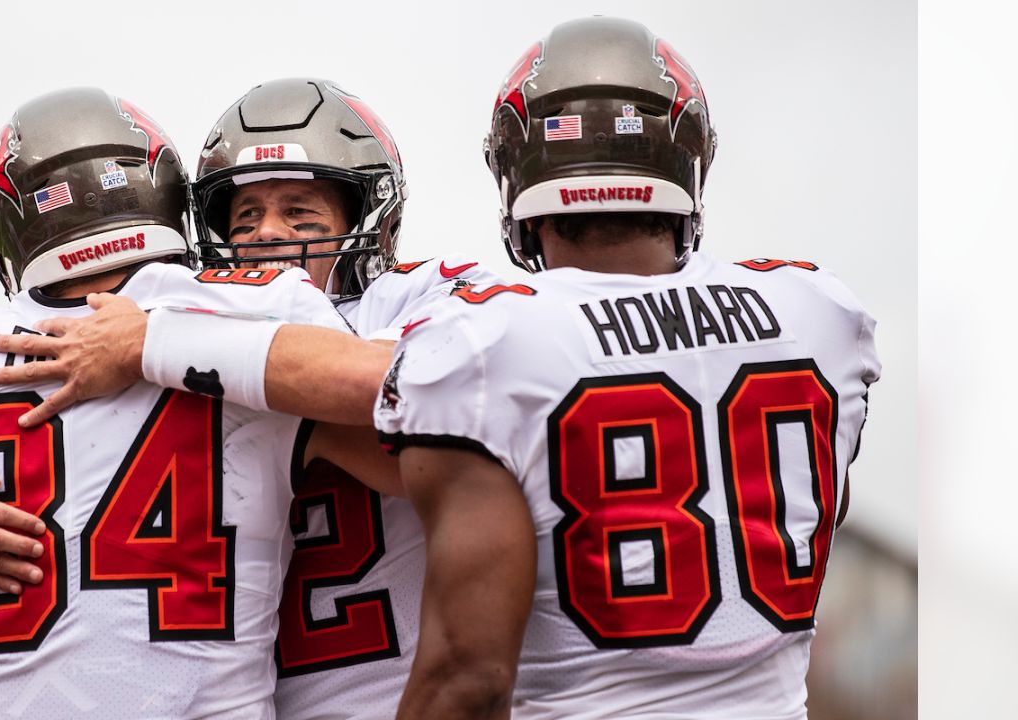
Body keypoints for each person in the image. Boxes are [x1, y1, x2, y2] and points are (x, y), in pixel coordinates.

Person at [0, 78, 503, 720]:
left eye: (301, 210)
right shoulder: (191, 323)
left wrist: (153, 342)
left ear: (367, 218)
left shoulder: (417, 299)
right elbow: (19, 614)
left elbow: (438, 403)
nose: (270, 236)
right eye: (245, 216)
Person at [374, 17, 881, 718]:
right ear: (686, 156)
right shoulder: (819, 313)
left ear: (516, 168)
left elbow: (470, 677)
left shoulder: (486, 339)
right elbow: (818, 513)